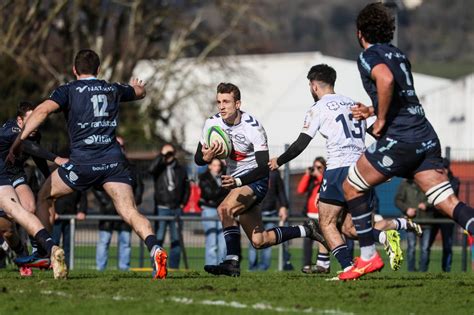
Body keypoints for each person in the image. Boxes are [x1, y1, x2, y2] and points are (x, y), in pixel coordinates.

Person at [339, 2, 474, 280]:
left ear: (360, 32)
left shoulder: (368, 55)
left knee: (351, 186)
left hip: (401, 139)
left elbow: (386, 81)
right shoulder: (398, 54)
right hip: (425, 136)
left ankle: (368, 257)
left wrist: (379, 121)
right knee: (446, 202)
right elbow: (400, 93)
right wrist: (372, 109)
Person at [8, 49, 168, 279]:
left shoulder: (68, 90)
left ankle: (48, 251)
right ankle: (155, 248)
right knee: (129, 211)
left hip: (83, 163)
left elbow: (42, 110)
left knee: (44, 196)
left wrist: (19, 139)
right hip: (113, 162)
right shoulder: (112, 88)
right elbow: (140, 92)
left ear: (74, 70)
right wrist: (137, 86)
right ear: (98, 69)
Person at [269, 64, 421, 275]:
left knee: (326, 222)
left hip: (338, 169)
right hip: (362, 169)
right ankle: (387, 233)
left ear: (314, 86)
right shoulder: (353, 104)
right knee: (349, 228)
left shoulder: (319, 108)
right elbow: (379, 133)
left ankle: (348, 267)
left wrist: (280, 160)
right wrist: (382, 165)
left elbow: (300, 144)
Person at [194, 82, 325, 277]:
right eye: (219, 102)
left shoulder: (253, 127)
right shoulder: (211, 124)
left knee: (224, 209)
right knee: (259, 241)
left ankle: (231, 262)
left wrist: (238, 182)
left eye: (226, 102)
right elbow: (198, 158)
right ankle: (306, 230)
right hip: (236, 183)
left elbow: (264, 168)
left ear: (238, 104)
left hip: (256, 182)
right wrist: (204, 158)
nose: (221, 106)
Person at [1, 102, 67, 264]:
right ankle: (15, 249)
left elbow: (36, 155)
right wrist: (56, 158)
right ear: (20, 121)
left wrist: (49, 179)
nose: (35, 124)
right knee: (8, 229)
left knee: (30, 206)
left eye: (37, 120)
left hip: (15, 174)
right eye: (31, 120)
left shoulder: (34, 133)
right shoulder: (11, 130)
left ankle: (39, 251)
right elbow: (27, 146)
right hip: (2, 176)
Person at [95, 136, 144, 271]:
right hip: (108, 212)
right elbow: (96, 188)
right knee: (104, 242)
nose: (119, 149)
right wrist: (108, 203)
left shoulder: (132, 168)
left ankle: (124, 268)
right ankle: (100, 269)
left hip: (126, 212)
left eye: (121, 146)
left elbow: (139, 187)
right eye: (117, 145)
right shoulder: (102, 165)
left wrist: (132, 203)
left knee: (125, 242)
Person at [148, 143, 190, 269]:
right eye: (166, 153)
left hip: (176, 208)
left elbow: (187, 188)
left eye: (170, 153)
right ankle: (157, 265)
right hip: (162, 208)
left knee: (176, 239)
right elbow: (150, 169)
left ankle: (173, 267)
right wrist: (162, 155)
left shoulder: (180, 169)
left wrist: (183, 203)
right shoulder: (158, 167)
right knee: (159, 238)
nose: (168, 155)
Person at [248, 169, 291, 271]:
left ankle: (263, 267)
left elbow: (280, 191)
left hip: (270, 213)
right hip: (255, 212)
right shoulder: (251, 170)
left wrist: (283, 206)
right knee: (253, 241)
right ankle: (252, 267)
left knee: (267, 241)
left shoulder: (274, 173)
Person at [297, 157, 331, 274]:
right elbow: (300, 190)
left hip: (322, 216)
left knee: (321, 241)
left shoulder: (326, 178)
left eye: (319, 167)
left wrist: (319, 175)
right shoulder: (312, 180)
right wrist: (307, 175)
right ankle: (306, 264)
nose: (316, 170)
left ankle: (321, 264)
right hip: (310, 216)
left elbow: (324, 184)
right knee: (307, 241)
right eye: (314, 167)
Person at [428, 158, 460, 272]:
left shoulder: (454, 181)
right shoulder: (434, 179)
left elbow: (447, 197)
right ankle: (423, 268)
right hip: (434, 217)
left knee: (447, 245)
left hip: (447, 218)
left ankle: (446, 269)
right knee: (427, 245)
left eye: (443, 168)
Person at [395, 179, 434, 272]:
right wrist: (407, 209)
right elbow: (398, 200)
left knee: (425, 248)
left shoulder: (428, 182)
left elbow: (435, 198)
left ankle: (423, 271)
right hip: (411, 221)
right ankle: (411, 271)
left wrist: (426, 205)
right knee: (411, 247)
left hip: (426, 220)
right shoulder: (405, 184)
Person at [198, 158, 228, 266]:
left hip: (222, 209)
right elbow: (209, 194)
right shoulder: (203, 178)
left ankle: (221, 265)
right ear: (210, 166)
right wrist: (221, 189)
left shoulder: (224, 177)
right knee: (211, 242)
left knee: (223, 242)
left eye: (219, 165)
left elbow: (226, 193)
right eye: (214, 165)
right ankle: (211, 266)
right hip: (209, 210)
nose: (217, 168)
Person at [52, 191, 87, 267]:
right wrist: (52, 211)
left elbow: (82, 195)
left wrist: (82, 211)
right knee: (54, 242)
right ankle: (52, 266)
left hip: (71, 217)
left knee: (68, 245)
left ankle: (66, 267)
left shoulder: (78, 182)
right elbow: (48, 195)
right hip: (56, 217)